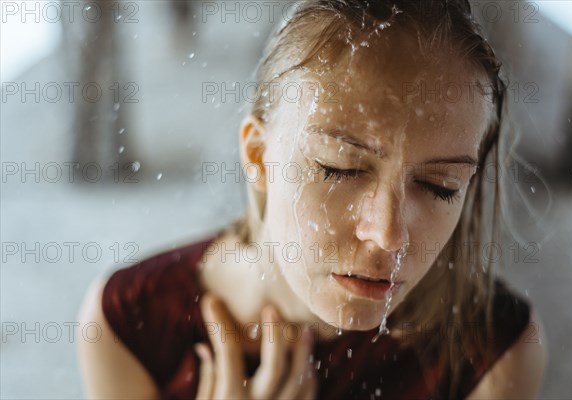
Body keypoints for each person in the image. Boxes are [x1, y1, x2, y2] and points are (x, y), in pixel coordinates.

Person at [76, 1, 548, 398]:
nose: (388, 235)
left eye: (440, 185)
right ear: (259, 156)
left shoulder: (495, 352)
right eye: (340, 168)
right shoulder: (128, 324)